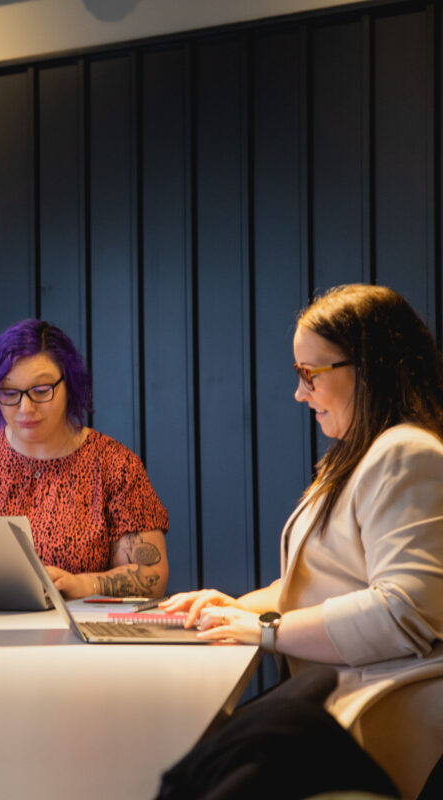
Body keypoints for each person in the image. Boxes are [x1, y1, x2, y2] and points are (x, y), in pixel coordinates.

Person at [161, 284, 443, 797]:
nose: (299, 393)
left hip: (382, 710)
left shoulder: (405, 452)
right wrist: (234, 608)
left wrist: (264, 628)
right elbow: (324, 583)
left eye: (309, 374)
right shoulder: (360, 454)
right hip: (336, 694)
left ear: (369, 367)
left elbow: (403, 612)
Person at [0, 319, 169, 598]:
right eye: (9, 393)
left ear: (70, 384)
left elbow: (151, 574)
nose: (25, 408)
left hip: (76, 631)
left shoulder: (115, 465)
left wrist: (84, 585)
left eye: (41, 391)